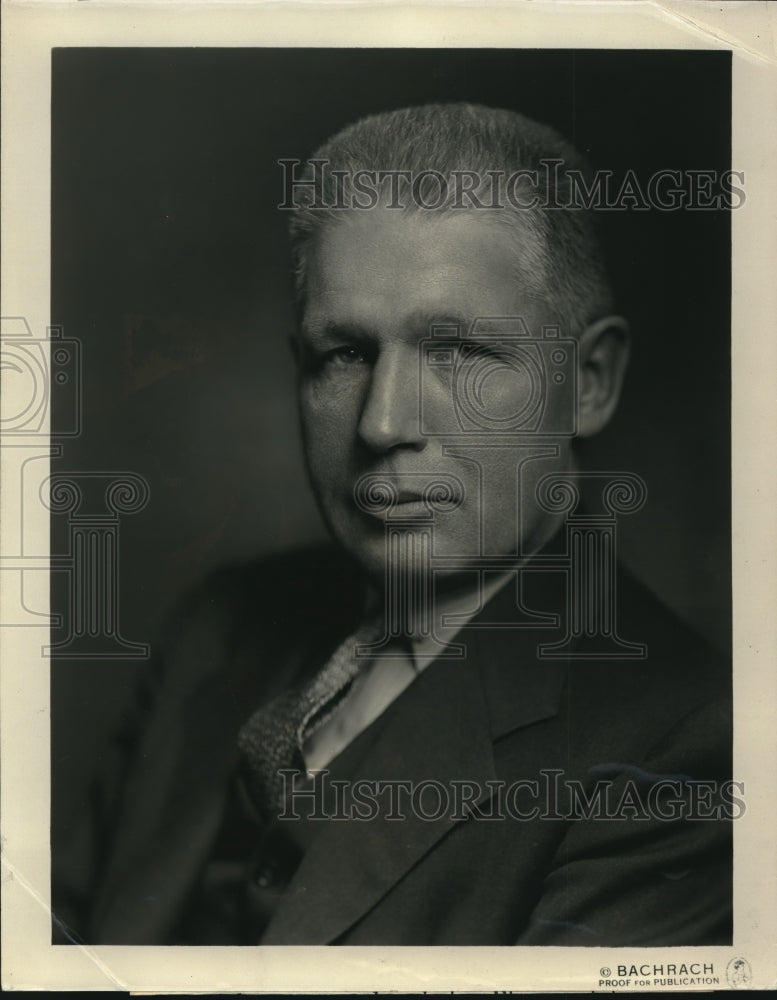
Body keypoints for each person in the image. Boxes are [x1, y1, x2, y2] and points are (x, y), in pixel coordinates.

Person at [55, 103, 732, 946]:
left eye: (454, 352)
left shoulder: (687, 751)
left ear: (587, 382)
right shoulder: (217, 628)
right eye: (343, 355)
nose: (381, 424)